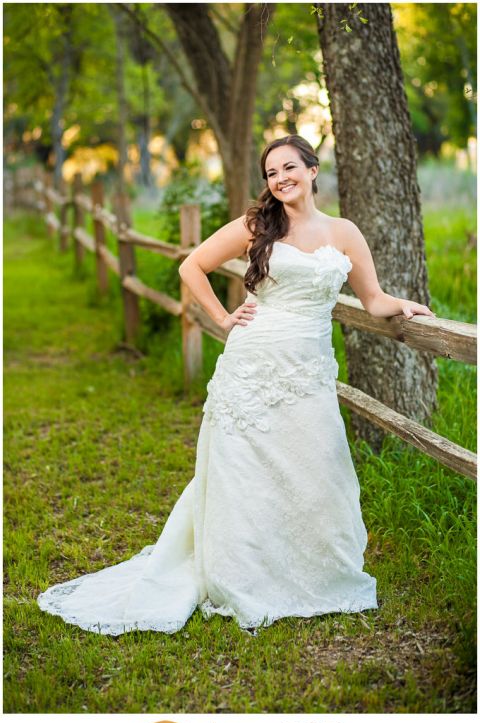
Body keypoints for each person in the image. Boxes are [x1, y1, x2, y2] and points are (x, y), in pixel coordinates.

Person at [37, 134, 435, 636]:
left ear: (312, 170)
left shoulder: (345, 232)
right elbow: (192, 265)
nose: (281, 178)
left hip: (308, 369)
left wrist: (404, 305)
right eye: (271, 172)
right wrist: (223, 318)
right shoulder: (257, 225)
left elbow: (372, 299)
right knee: (246, 471)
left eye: (289, 167)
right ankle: (243, 574)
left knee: (317, 466)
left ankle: (312, 569)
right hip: (252, 364)